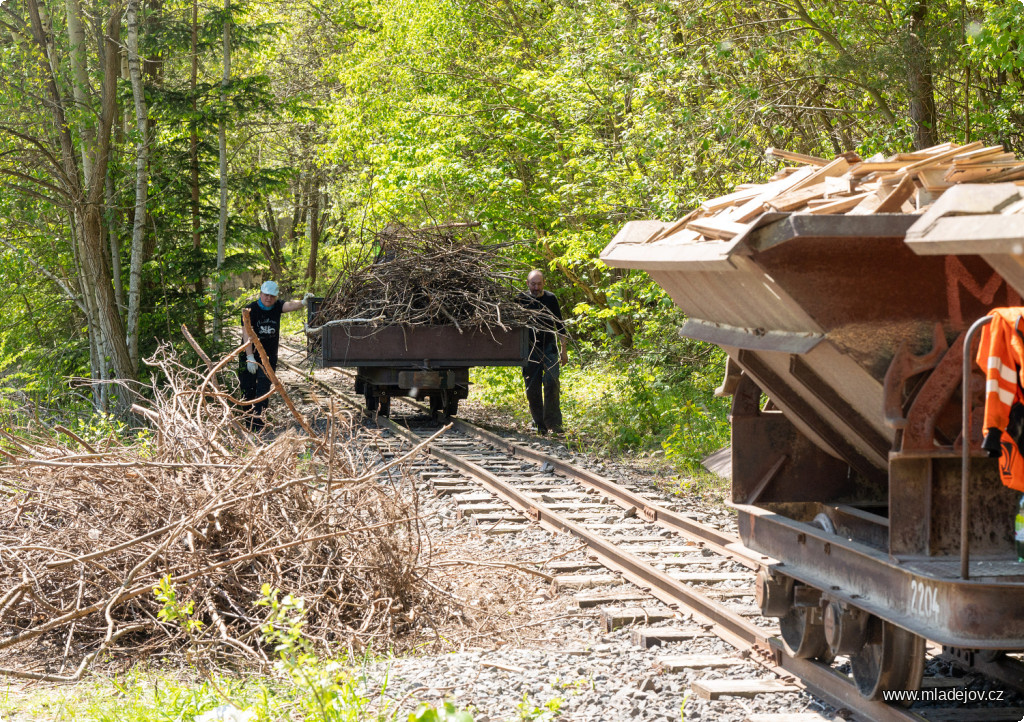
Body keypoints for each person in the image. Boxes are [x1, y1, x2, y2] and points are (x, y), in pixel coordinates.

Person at [239, 280, 310, 430]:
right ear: (260, 294)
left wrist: (303, 302)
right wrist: (250, 357)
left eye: (272, 296)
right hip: (248, 354)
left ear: (276, 297)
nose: (268, 298)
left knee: (264, 389)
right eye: (266, 295)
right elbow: (246, 335)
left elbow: (290, 305)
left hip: (269, 356)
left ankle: (259, 425)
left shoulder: (277, 307)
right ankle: (247, 421)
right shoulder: (250, 310)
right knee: (247, 388)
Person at [518, 269, 568, 435]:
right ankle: (539, 424)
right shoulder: (520, 299)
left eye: (539, 284)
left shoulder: (550, 299)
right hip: (529, 349)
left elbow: (560, 325)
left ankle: (554, 424)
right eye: (533, 284)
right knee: (532, 388)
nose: (536, 287)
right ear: (527, 284)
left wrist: (564, 351)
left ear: (544, 284)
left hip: (549, 347)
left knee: (552, 382)